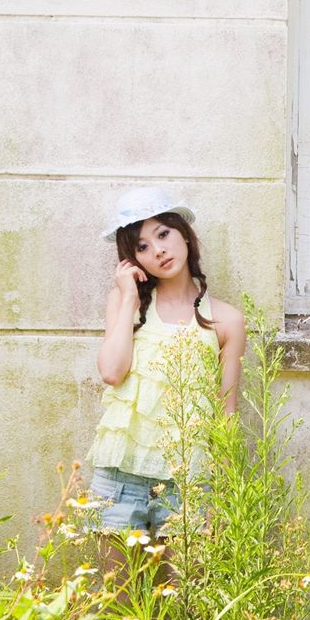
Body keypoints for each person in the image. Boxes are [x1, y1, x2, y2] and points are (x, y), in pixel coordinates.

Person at [88, 187, 245, 540]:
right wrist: (128, 296)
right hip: (120, 476)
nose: (157, 250)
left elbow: (227, 413)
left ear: (185, 235)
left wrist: (221, 493)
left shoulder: (227, 321)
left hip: (188, 482)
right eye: (142, 246)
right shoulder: (127, 303)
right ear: (133, 260)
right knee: (117, 595)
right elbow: (111, 372)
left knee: (184, 594)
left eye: (163, 234)